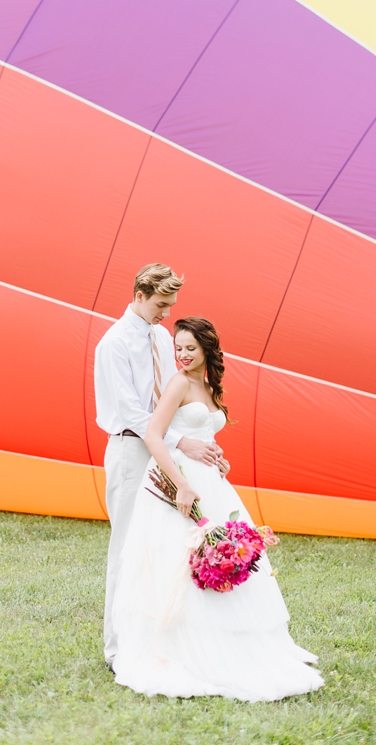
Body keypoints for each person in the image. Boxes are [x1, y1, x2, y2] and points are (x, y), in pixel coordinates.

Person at [110, 316, 322, 701]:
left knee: (222, 555)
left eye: (190, 348)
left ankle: (230, 642)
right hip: (180, 481)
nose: (183, 355)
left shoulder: (207, 385)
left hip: (213, 481)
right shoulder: (177, 383)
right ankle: (183, 648)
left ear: (207, 349)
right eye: (178, 348)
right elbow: (154, 435)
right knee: (180, 562)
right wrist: (181, 485)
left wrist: (219, 461)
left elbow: (203, 433)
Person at [94, 263, 227, 667]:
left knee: (164, 544)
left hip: (166, 449)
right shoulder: (113, 344)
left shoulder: (156, 335)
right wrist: (179, 441)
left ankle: (160, 637)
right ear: (139, 295)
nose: (166, 314)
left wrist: (197, 443)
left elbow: (172, 401)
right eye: (161, 305)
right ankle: (116, 647)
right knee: (127, 548)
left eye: (170, 306)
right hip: (132, 450)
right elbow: (134, 414)